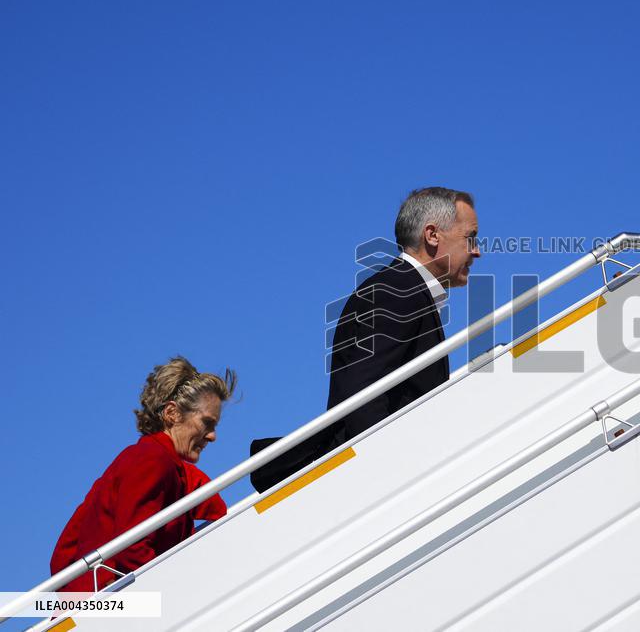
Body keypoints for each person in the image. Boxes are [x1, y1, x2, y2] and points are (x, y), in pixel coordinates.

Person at [250, 186, 480, 491]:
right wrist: (384, 476)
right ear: (432, 235)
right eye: (470, 238)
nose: (477, 251)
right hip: (377, 479)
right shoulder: (399, 290)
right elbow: (363, 393)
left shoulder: (403, 288)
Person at [50, 357, 237, 592]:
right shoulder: (152, 461)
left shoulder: (164, 463)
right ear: (172, 413)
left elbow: (216, 509)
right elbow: (132, 547)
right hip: (108, 601)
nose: (212, 436)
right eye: (207, 423)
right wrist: (172, 591)